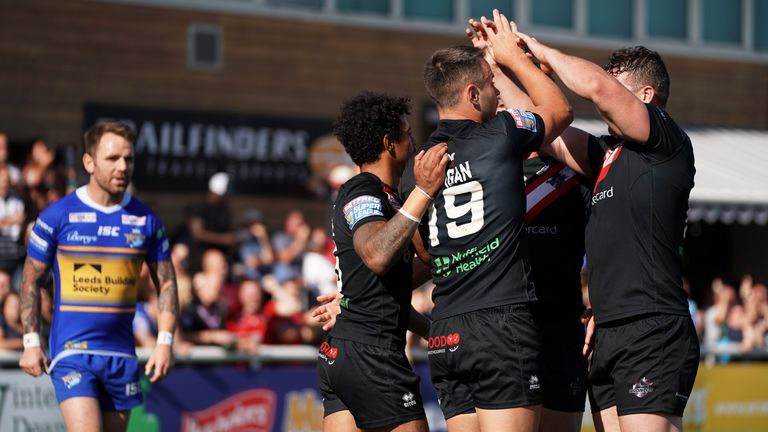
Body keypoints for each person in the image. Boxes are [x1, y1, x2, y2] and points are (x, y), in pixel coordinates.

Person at [507, 24, 699, 432]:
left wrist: (540, 49)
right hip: (607, 330)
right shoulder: (604, 154)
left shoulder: (666, 140)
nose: (604, 92)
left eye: (618, 84)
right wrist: (500, 61)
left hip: (651, 325)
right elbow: (541, 126)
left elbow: (594, 86)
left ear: (646, 96)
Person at [398, 11, 572, 432]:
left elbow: (424, 249)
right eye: (492, 84)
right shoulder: (503, 132)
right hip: (500, 325)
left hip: (446, 332)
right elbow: (559, 109)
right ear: (473, 95)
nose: (499, 92)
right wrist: (511, 57)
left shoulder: (418, 166)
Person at [464, 17, 591, 431]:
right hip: (496, 333)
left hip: (558, 331)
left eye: (505, 92)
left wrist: (508, 62)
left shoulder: (574, 168)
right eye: (491, 89)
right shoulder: (472, 168)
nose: (498, 100)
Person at [18, 120, 180, 432]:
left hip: (121, 355)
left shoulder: (146, 219)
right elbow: (30, 280)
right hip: (73, 354)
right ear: (89, 162)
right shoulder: (57, 216)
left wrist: (165, 342)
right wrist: (30, 340)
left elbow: (168, 282)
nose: (122, 167)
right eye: (112, 158)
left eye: (128, 159)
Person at [316, 91, 447, 432]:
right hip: (371, 356)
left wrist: (434, 330)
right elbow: (376, 255)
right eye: (408, 133)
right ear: (390, 143)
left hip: (344, 352)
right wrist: (424, 192)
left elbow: (404, 280)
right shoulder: (363, 190)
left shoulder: (392, 199)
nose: (415, 140)